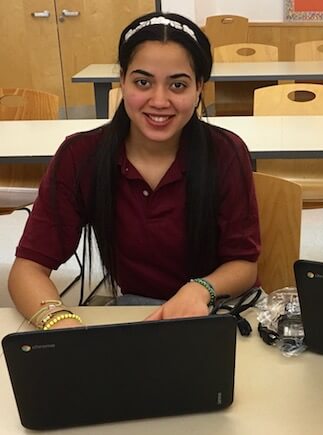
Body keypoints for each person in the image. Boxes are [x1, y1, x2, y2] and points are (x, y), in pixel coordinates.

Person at [8, 12, 260, 329]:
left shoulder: (225, 152)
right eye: (143, 82)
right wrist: (60, 322)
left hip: (216, 310)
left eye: (178, 85)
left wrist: (200, 288)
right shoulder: (81, 156)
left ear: (199, 88)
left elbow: (244, 265)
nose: (159, 100)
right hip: (133, 310)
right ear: (122, 81)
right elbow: (28, 269)